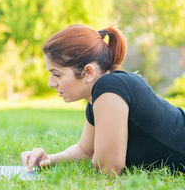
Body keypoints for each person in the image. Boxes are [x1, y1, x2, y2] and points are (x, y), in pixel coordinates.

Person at [21, 24, 185, 175]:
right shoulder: (99, 96)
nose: (51, 83)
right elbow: (85, 150)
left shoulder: (110, 88)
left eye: (57, 74)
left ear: (89, 73)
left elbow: (108, 167)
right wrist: (48, 160)